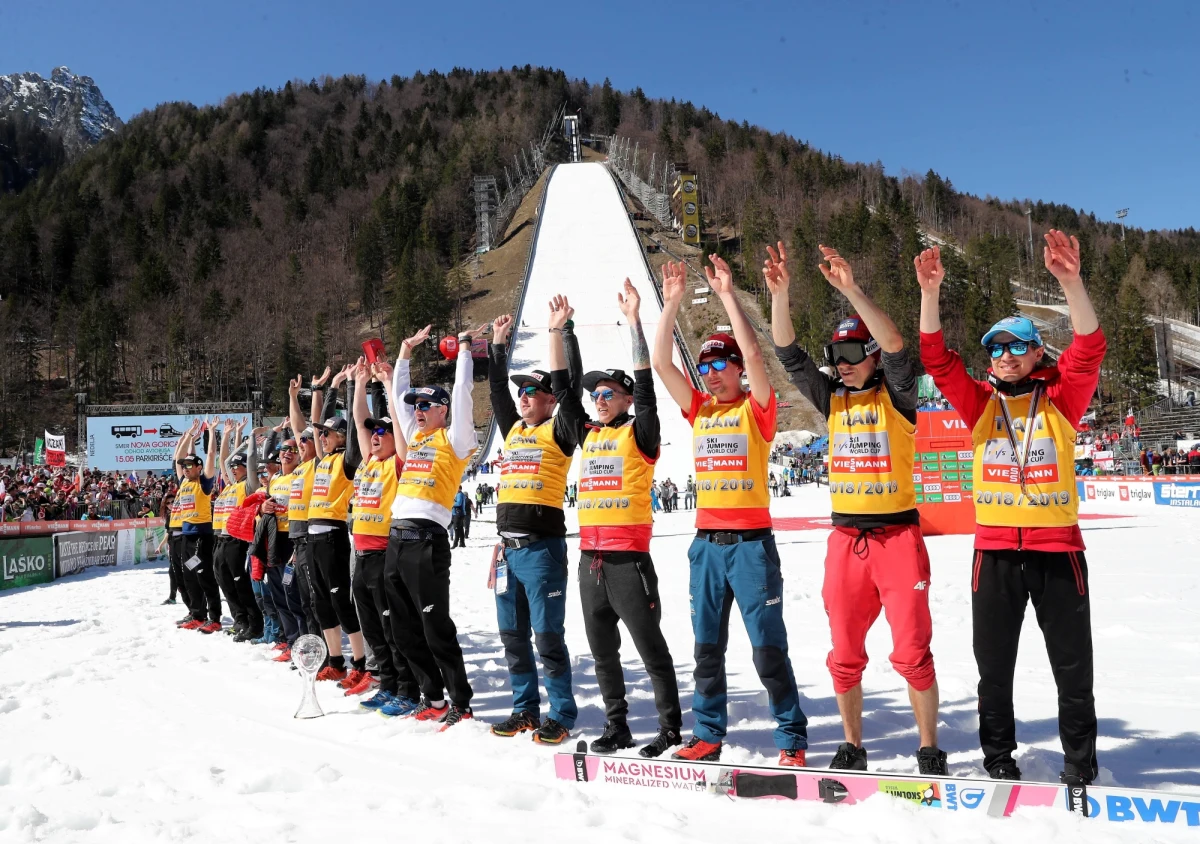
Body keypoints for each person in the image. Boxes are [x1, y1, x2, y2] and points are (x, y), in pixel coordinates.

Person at [917, 231, 1105, 785]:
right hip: (994, 557)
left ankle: (1079, 766)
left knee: (1073, 672)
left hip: (1058, 555)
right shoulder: (978, 404)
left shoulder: (1062, 401)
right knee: (993, 672)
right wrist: (930, 295)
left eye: (1016, 346)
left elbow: (1089, 348)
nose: (1004, 357)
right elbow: (937, 358)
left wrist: (1070, 282)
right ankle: (998, 758)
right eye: (995, 349)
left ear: (1037, 353)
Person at [766, 241, 945, 774]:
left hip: (897, 540)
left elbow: (896, 347)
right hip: (846, 541)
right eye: (835, 357)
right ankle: (852, 743)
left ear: (868, 356)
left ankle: (929, 746)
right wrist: (780, 295)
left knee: (912, 650)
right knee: (844, 653)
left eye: (850, 356)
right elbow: (787, 356)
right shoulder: (833, 398)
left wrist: (850, 290)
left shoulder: (898, 396)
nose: (840, 366)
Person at [652, 256, 808, 766]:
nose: (712, 373)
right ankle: (709, 733)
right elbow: (660, 364)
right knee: (706, 651)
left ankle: (791, 738)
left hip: (750, 548)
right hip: (706, 548)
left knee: (767, 649)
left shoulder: (754, 409)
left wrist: (726, 297)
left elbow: (760, 359)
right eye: (706, 366)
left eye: (722, 364)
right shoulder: (699, 409)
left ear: (738, 370)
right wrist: (671, 302)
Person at [553, 280, 683, 759]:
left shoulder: (640, 433)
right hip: (591, 562)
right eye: (597, 394)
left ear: (625, 399)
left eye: (608, 393)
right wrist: (566, 333)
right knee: (602, 653)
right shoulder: (588, 435)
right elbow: (567, 394)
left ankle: (670, 729)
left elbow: (647, 389)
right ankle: (617, 725)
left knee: (651, 650)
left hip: (629, 563)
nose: (599, 399)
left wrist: (634, 323)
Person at [382, 323, 484, 728]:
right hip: (396, 538)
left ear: (442, 411)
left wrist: (462, 349)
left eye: (426, 406)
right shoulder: (416, 438)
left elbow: (462, 393)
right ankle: (433, 697)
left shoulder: (454, 440)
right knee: (403, 629)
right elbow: (397, 402)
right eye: (417, 407)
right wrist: (404, 353)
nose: (418, 411)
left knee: (434, 625)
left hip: (426, 539)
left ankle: (461, 701)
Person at [486, 307, 580, 745]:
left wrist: (557, 333)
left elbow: (571, 388)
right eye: (521, 391)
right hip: (507, 550)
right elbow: (497, 395)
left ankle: (561, 712)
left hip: (542, 550)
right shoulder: (514, 432)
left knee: (547, 637)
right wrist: (498, 347)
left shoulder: (558, 433)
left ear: (550, 400)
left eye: (533, 391)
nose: (523, 397)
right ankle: (525, 707)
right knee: (512, 637)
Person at [307, 363, 370, 685]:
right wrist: (330, 388)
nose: (321, 438)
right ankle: (336, 661)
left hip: (332, 536)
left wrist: (350, 387)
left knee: (340, 601)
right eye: (321, 435)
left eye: (327, 434)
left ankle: (359, 662)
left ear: (341, 437)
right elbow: (319, 421)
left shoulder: (347, 461)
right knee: (321, 603)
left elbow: (357, 434)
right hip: (312, 539)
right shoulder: (323, 458)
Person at [287, 369, 348, 679]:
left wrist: (320, 391)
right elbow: (309, 428)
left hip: (327, 536)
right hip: (304, 536)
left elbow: (312, 426)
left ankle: (329, 657)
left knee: (323, 601)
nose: (298, 446)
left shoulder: (319, 461)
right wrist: (293, 396)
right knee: (311, 601)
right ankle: (323, 654)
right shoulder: (307, 462)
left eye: (305, 442)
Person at [212, 420, 265, 642]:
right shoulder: (230, 485)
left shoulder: (247, 484)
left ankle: (254, 623)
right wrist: (228, 436)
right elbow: (224, 461)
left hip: (237, 540)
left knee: (239, 583)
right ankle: (239, 619)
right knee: (224, 581)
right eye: (232, 468)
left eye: (237, 466)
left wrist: (248, 439)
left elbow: (251, 463)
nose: (232, 470)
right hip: (220, 540)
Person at [173, 420, 223, 633]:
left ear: (199, 468)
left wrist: (210, 432)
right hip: (186, 536)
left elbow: (211, 456)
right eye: (184, 466)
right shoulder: (183, 481)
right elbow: (178, 458)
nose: (185, 469)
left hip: (202, 534)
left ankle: (215, 617)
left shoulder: (203, 483)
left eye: (189, 466)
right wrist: (188, 436)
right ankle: (197, 614)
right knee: (188, 576)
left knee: (204, 575)